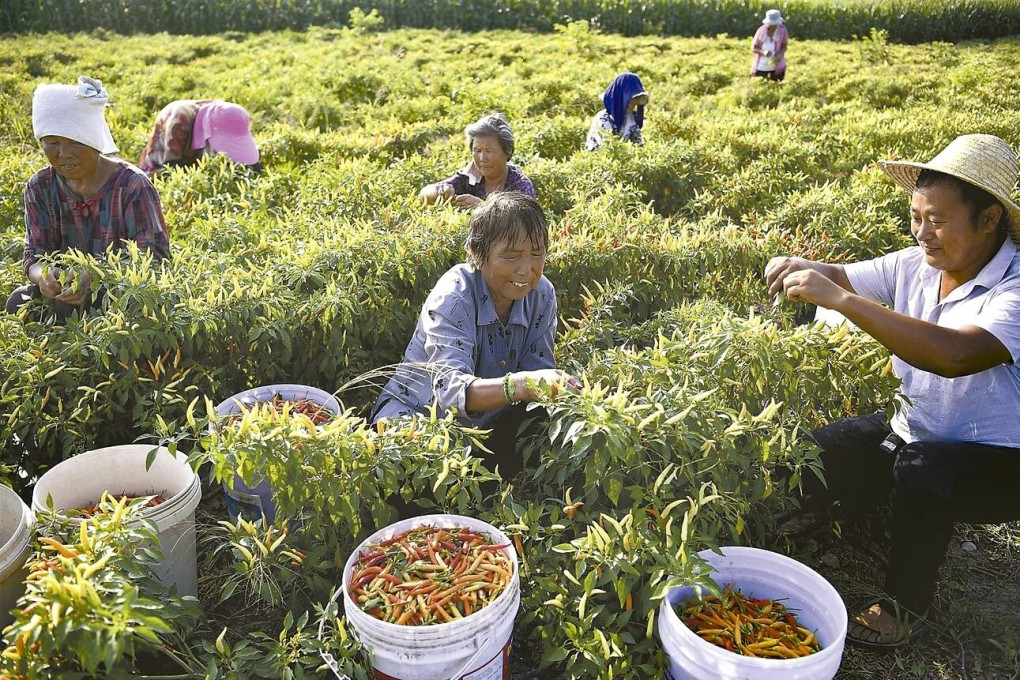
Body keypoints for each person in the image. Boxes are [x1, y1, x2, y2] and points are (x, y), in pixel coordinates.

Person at [764, 134, 1020, 650]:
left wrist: (838, 300)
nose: (923, 233)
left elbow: (955, 354)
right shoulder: (917, 263)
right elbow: (844, 277)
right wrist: (806, 267)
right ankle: (866, 513)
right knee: (810, 453)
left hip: (1000, 464)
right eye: (915, 216)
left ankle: (903, 605)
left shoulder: (1013, 287)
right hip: (911, 433)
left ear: (989, 219)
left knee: (924, 472)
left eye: (938, 219)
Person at [372, 192, 579, 478]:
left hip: (485, 426)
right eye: (511, 255)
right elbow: (451, 392)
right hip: (417, 422)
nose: (526, 269)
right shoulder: (454, 297)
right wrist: (523, 384)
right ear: (478, 254)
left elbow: (538, 370)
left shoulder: (541, 294)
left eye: (537, 253)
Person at [6, 76, 170, 318]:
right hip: (65, 292)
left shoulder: (132, 185)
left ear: (93, 139)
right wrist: (44, 276)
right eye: (52, 142)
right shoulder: (40, 186)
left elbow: (155, 258)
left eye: (75, 142)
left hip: (121, 294)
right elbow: (34, 253)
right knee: (18, 301)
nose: (64, 153)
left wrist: (96, 276)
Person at [418, 113, 535, 209]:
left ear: (507, 152)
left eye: (489, 151)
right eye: (477, 150)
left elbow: (523, 222)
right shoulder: (470, 178)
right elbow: (424, 195)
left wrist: (482, 207)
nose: (482, 158)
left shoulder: (520, 185)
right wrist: (439, 191)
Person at [137, 99, 261, 176]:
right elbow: (173, 170)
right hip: (164, 164)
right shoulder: (180, 119)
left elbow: (250, 162)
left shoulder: (228, 114)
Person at [585, 72, 648, 151]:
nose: (633, 102)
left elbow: (638, 145)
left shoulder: (631, 118)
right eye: (630, 98)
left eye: (636, 98)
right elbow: (606, 149)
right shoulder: (604, 118)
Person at [750, 9, 788, 81]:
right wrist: (763, 52)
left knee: (777, 86)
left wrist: (780, 55)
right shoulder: (761, 31)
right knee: (760, 86)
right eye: (771, 24)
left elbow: (784, 45)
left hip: (777, 66)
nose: (773, 26)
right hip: (762, 66)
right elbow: (753, 48)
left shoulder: (782, 31)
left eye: (775, 24)